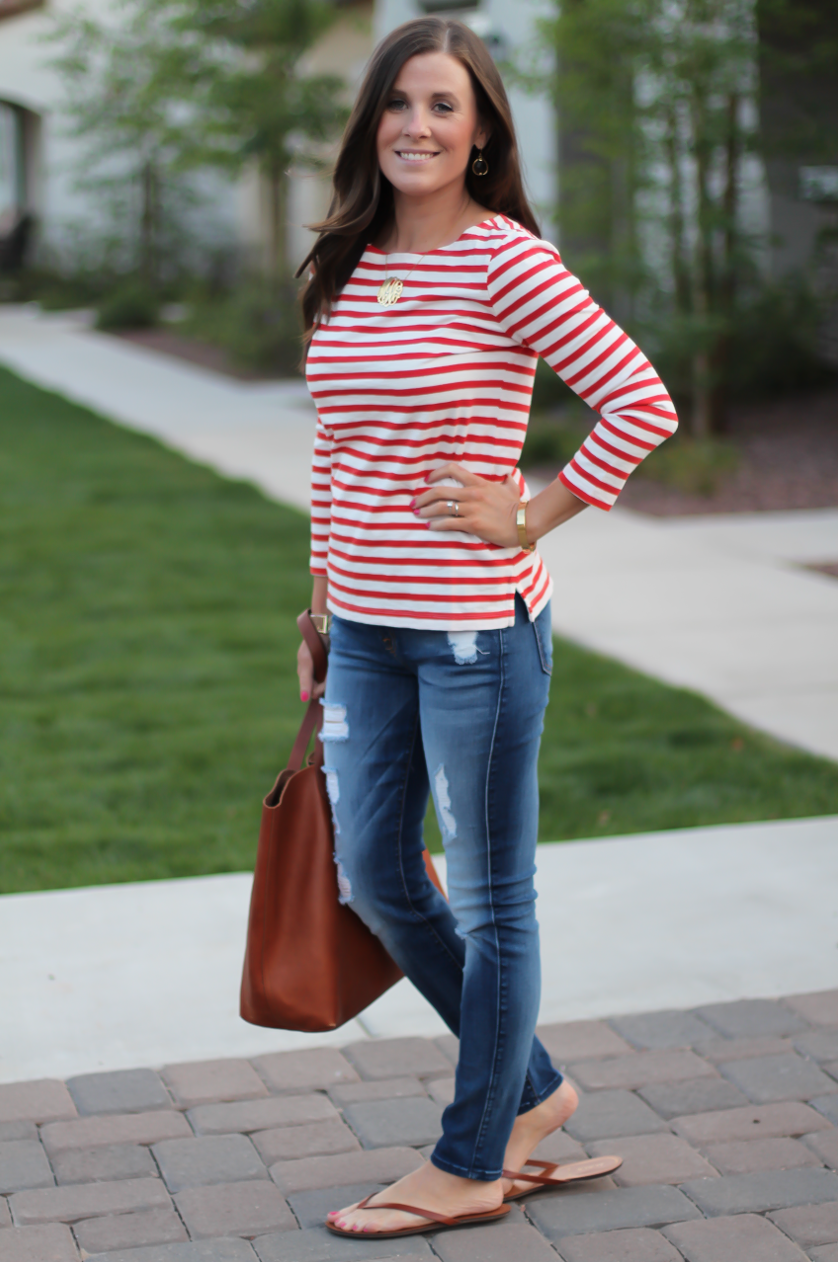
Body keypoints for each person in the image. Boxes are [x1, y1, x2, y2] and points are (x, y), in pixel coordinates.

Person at [295, 15, 678, 1241]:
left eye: (443, 107)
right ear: (373, 120)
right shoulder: (350, 260)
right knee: (374, 874)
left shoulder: (506, 258)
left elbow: (638, 395)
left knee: (492, 896)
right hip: (362, 629)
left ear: (479, 133)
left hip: (472, 633)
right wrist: (315, 603)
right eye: (399, 102)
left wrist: (539, 508)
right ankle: (534, 1091)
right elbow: (335, 448)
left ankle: (472, 1156)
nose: (416, 125)